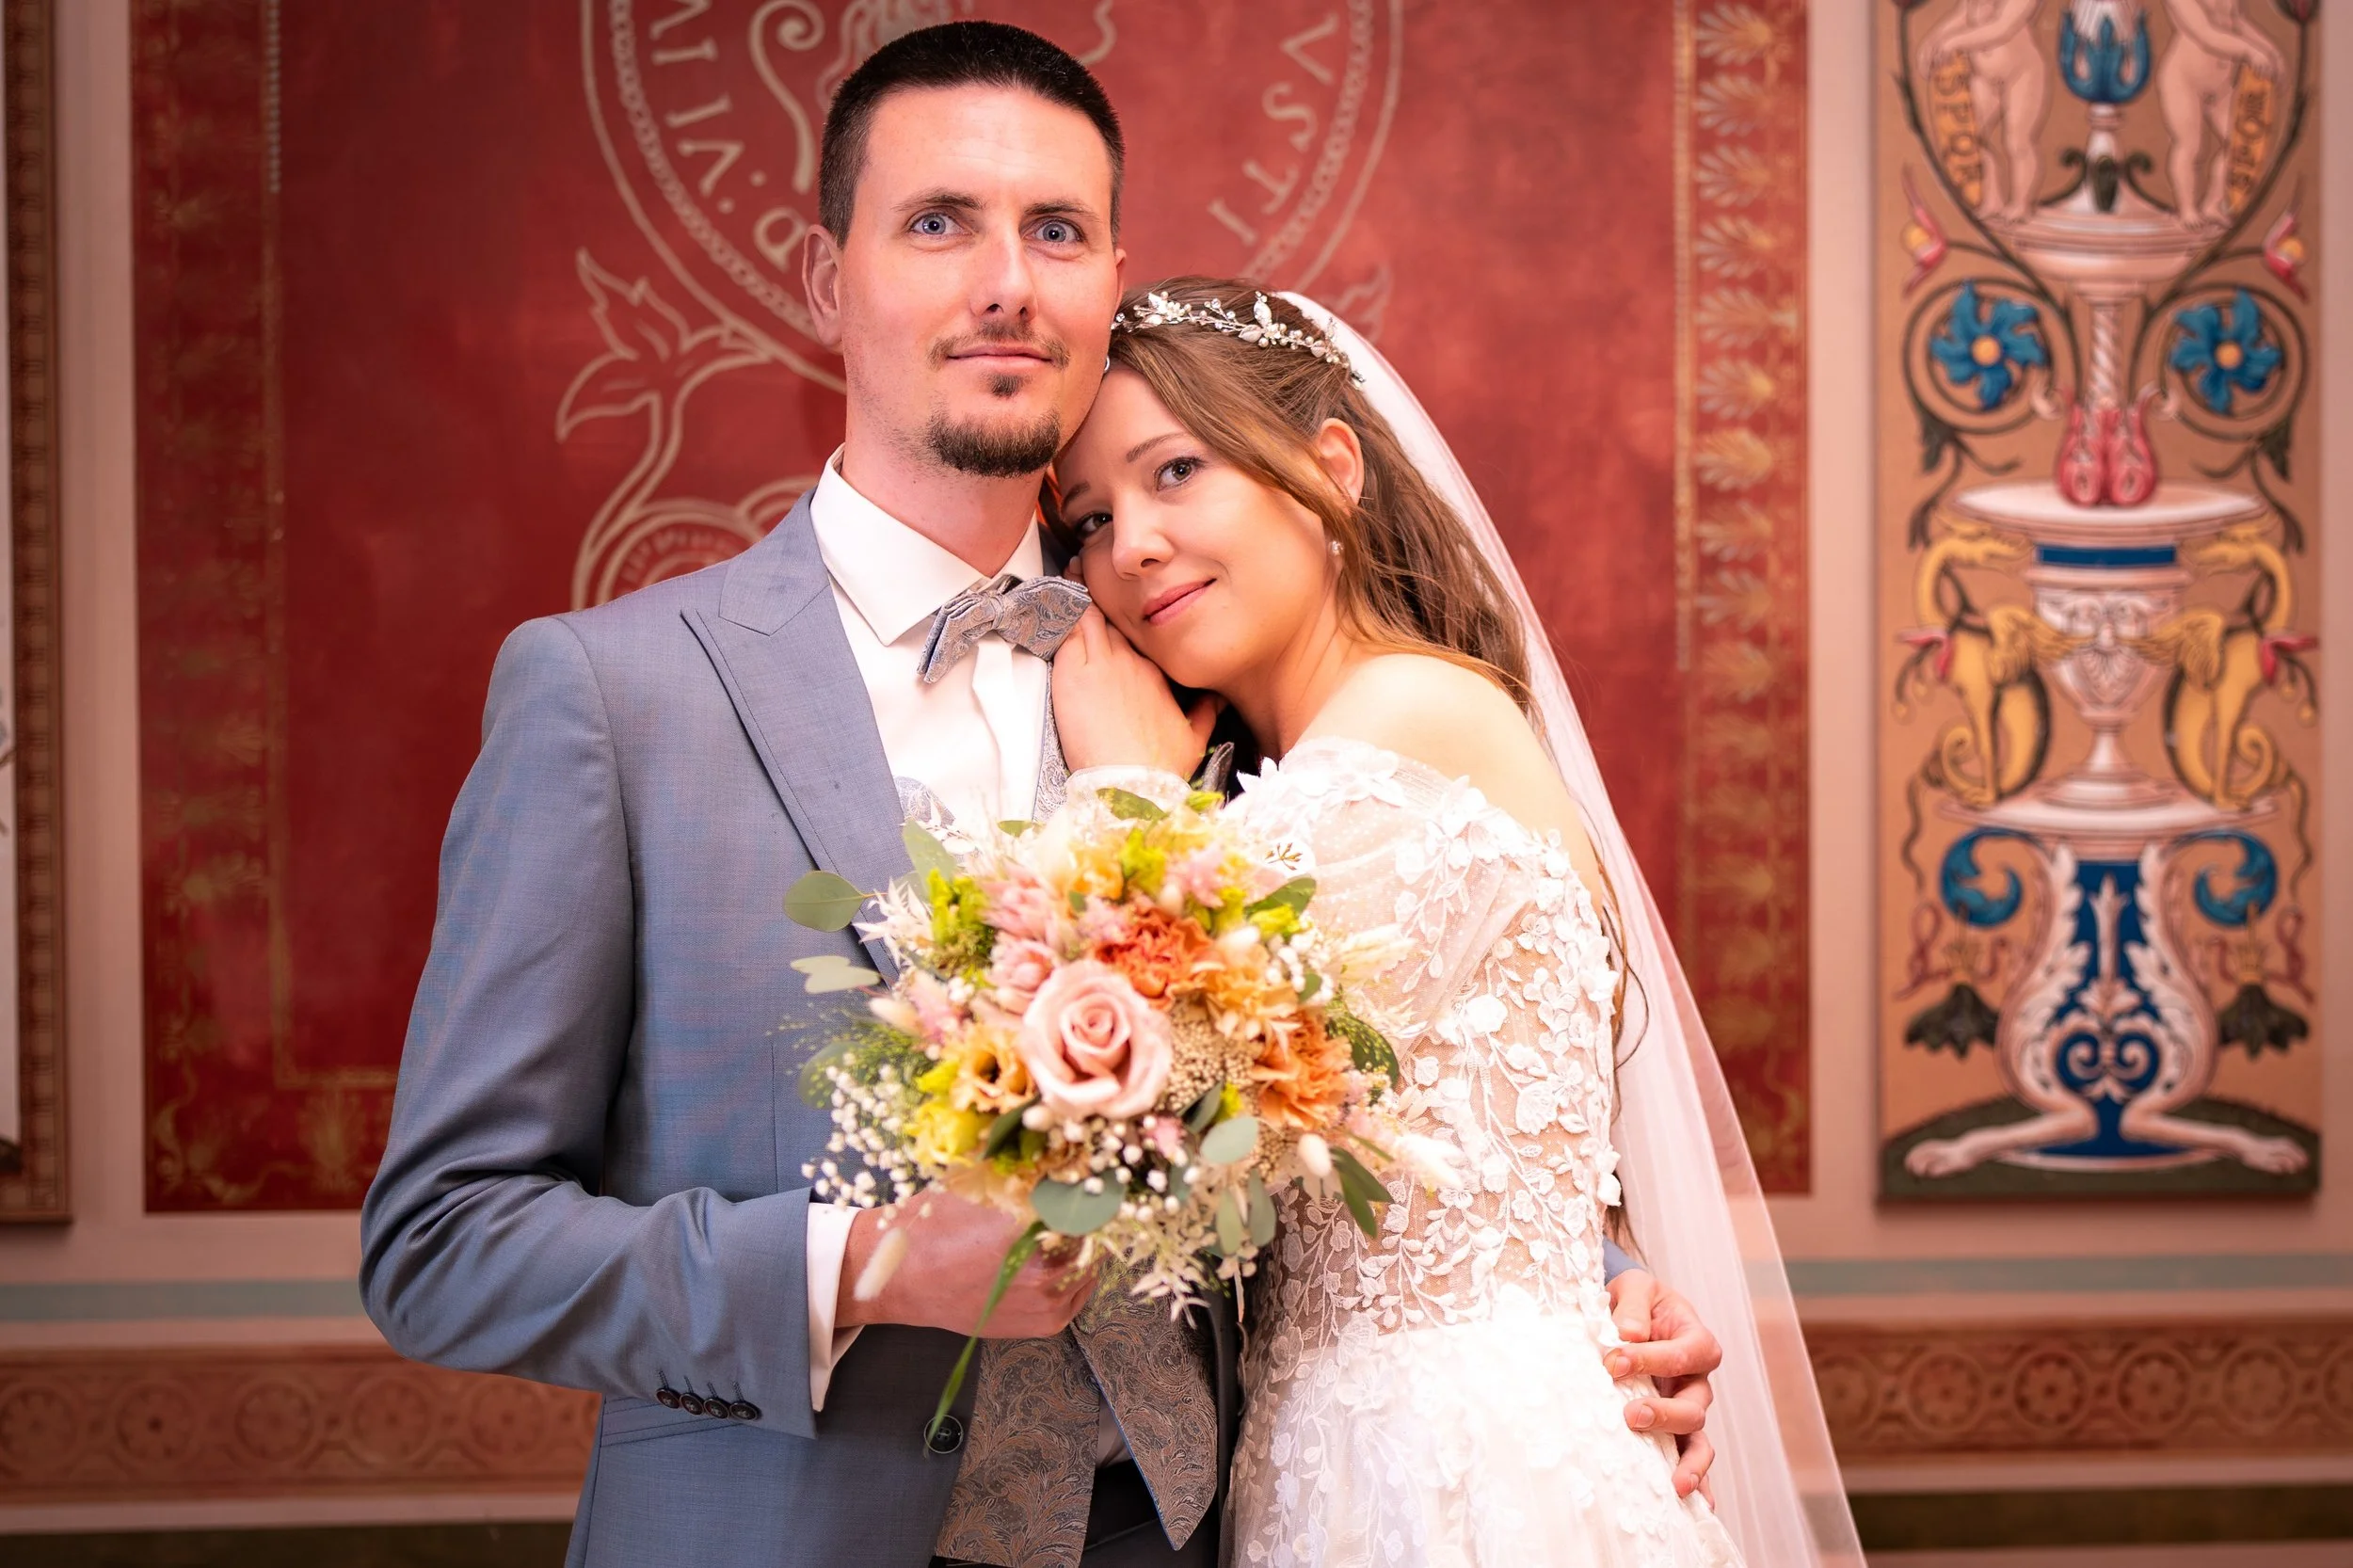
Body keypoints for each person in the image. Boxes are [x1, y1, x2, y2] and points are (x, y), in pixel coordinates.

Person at [360, 22, 1731, 1568]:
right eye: (938, 222)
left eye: (1057, 231)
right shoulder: (618, 695)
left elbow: (1367, 1075)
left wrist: (1596, 1278)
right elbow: (441, 1243)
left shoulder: (1219, 703)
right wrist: (862, 1265)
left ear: (1106, 280)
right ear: (830, 281)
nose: (1006, 279)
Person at [1046, 280, 1862, 1564]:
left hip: (1465, 1471)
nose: (1130, 544)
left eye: (1176, 471)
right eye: (1088, 518)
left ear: (1330, 469)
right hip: (1344, 1460)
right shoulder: (1303, 774)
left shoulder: (1406, 725)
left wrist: (1122, 795)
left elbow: (1171, 1111)